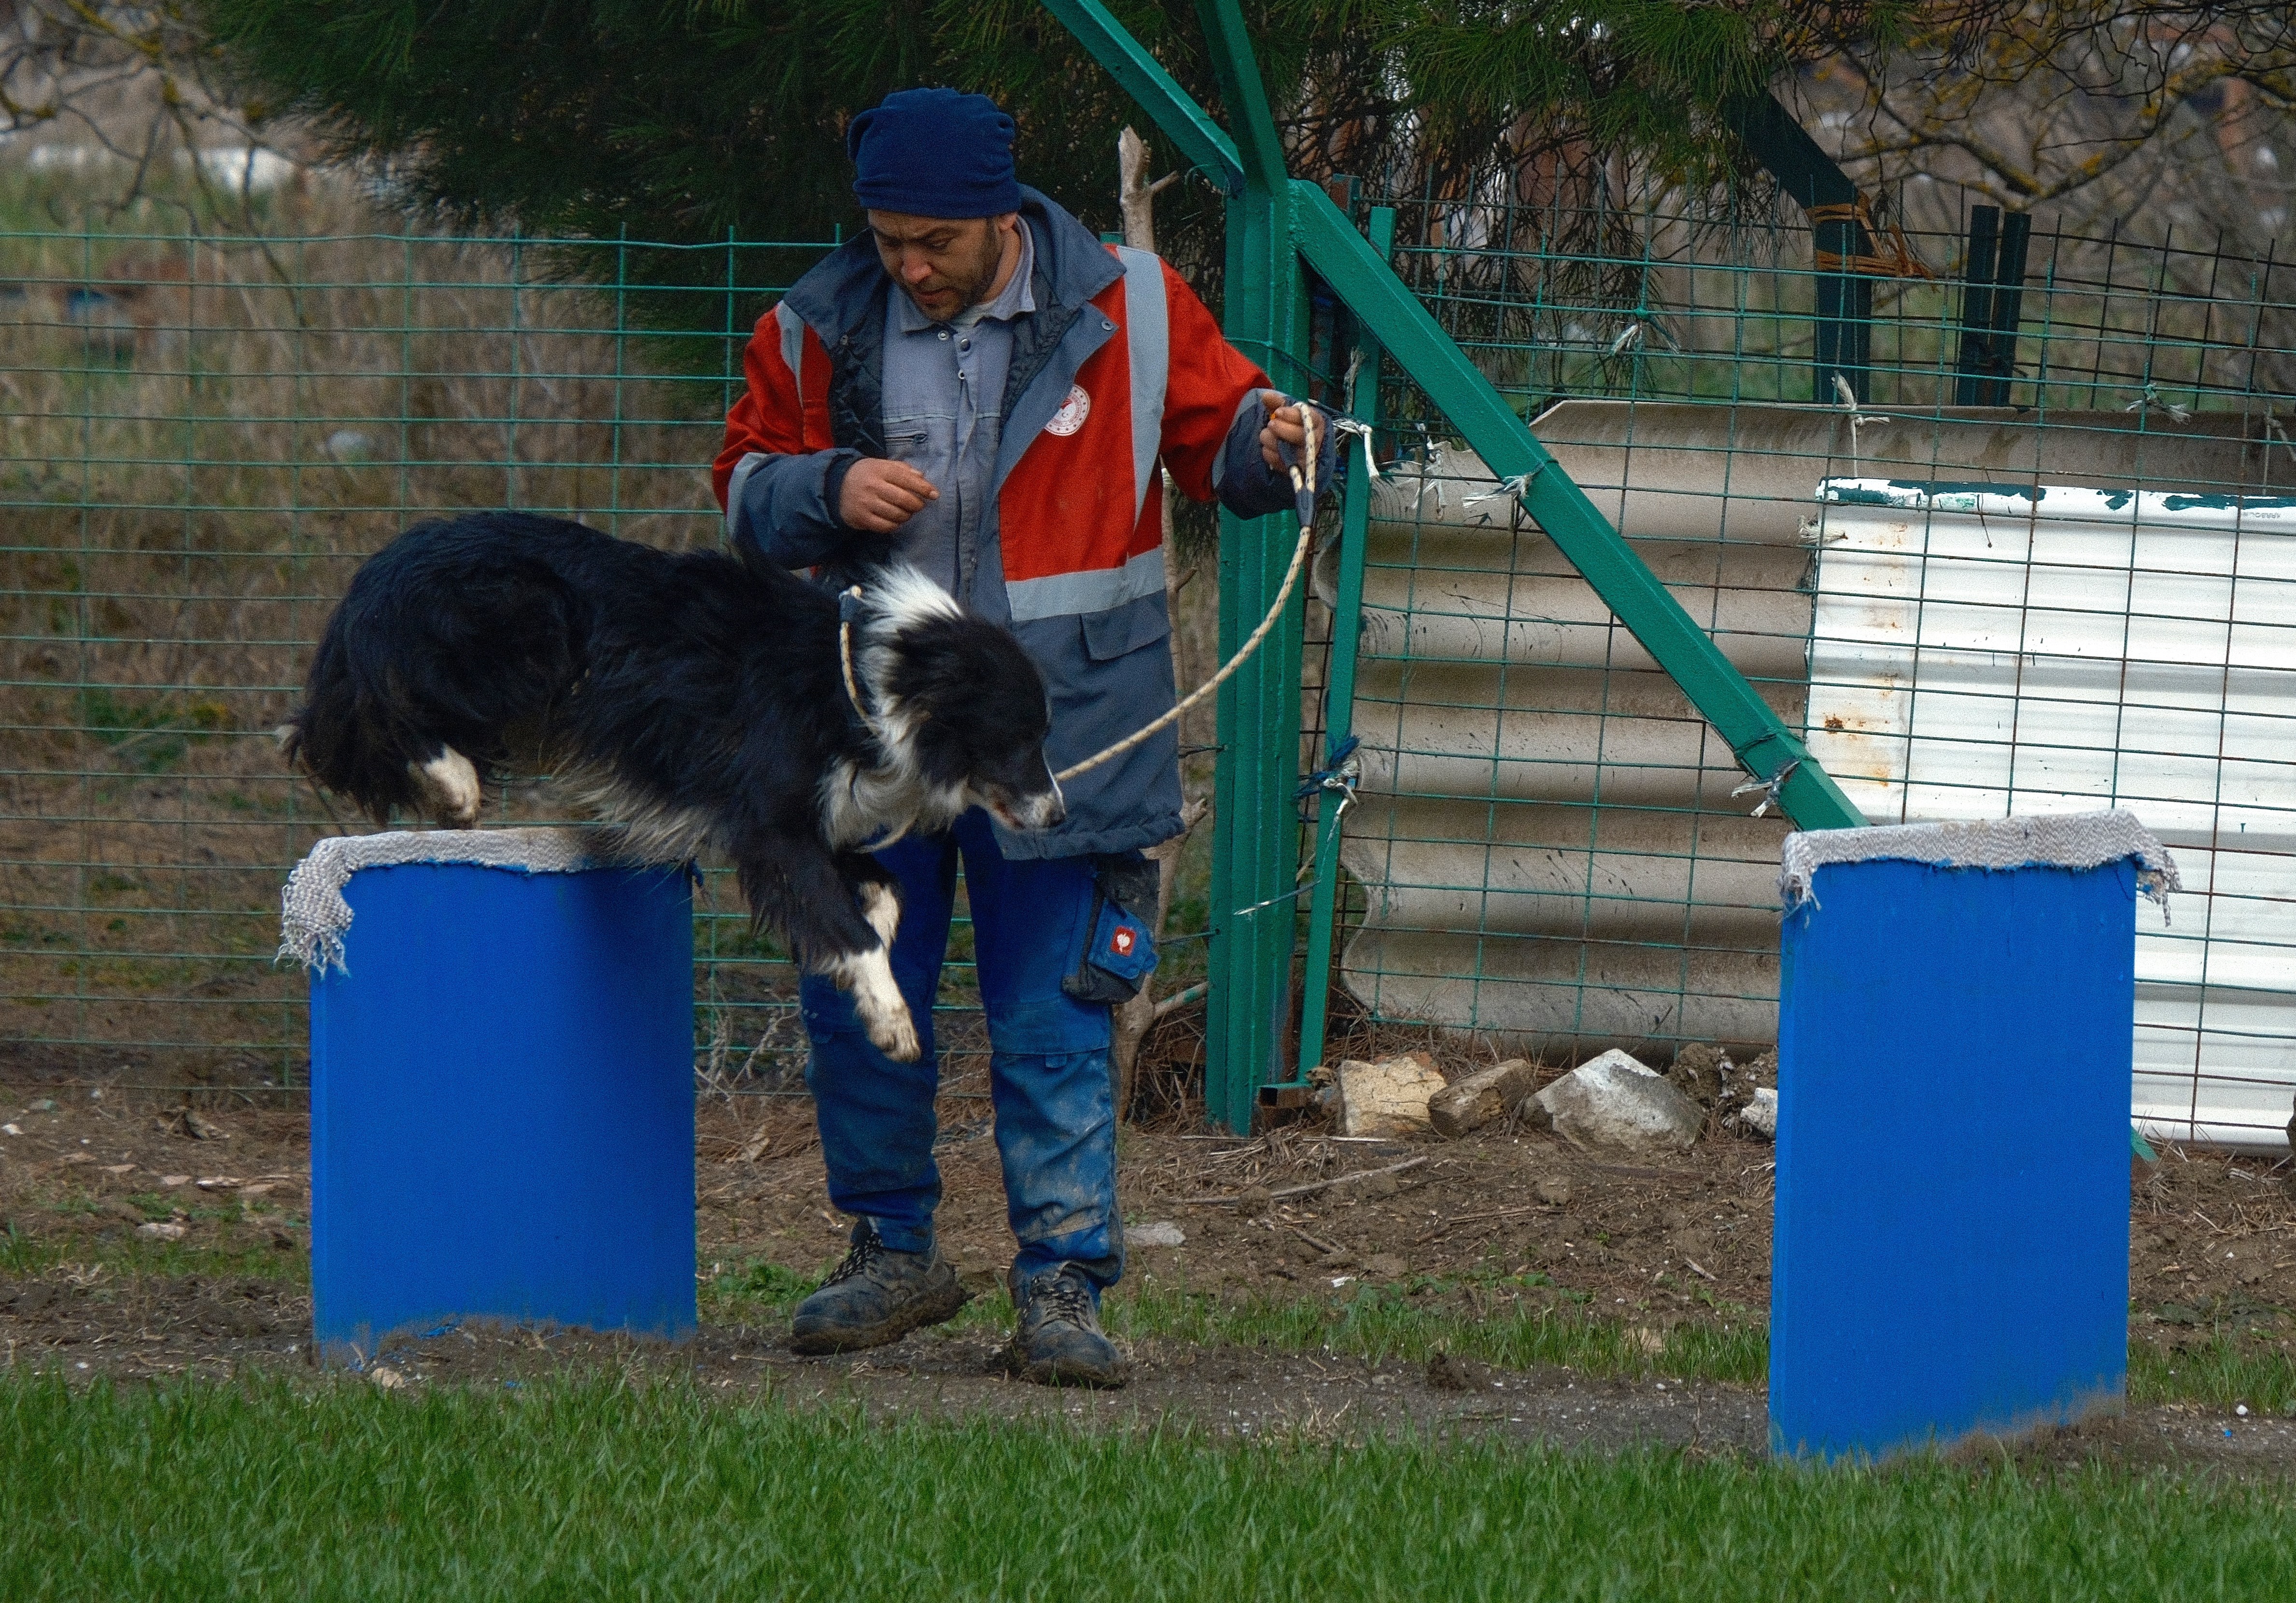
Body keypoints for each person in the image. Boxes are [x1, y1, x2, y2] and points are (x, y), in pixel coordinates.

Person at [712, 86, 1333, 1386]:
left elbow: (1219, 437)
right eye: (886, 240)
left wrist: (1269, 445)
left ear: (1001, 219)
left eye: (930, 242)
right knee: (858, 997)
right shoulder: (814, 324)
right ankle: (893, 1254)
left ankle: (1062, 1285)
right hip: (866, 743)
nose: (906, 266)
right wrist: (821, 486)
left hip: (1071, 735)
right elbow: (746, 483)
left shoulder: (1139, 308)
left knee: (1054, 1019)